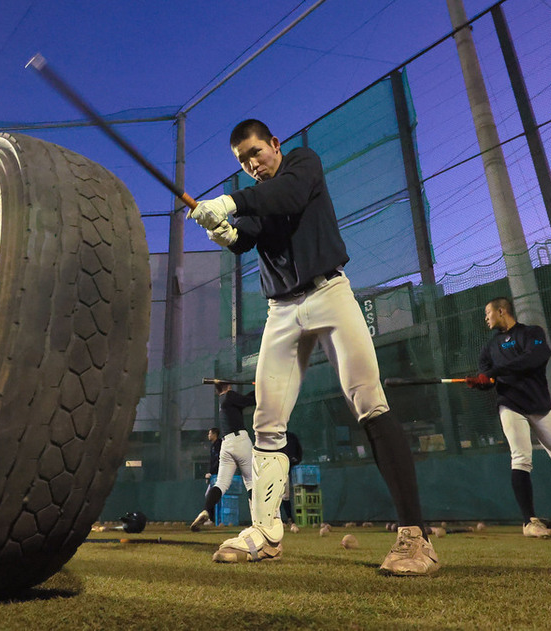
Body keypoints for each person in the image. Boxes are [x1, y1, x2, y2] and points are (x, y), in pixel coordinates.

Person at [188, 119, 438, 575]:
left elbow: (284, 197)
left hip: (329, 295)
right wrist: (224, 232)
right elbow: (248, 234)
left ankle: (414, 538)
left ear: (275, 145)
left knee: (368, 401)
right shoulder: (257, 194)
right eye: (243, 161)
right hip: (281, 311)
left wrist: (225, 202)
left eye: (256, 152)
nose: (252, 164)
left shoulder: (303, 164)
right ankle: (266, 533)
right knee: (266, 421)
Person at [471, 297, 551, 538]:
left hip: (541, 406)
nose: (486, 318)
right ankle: (529, 522)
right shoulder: (488, 348)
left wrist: (495, 372)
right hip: (510, 405)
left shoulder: (531, 333)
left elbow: (535, 358)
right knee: (520, 458)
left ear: (501, 311)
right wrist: (481, 382)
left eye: (488, 313)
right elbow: (487, 378)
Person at [190, 383, 255, 531]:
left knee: (221, 484)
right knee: (251, 482)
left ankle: (206, 509)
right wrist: (260, 388)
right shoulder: (230, 395)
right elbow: (250, 401)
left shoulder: (223, 400)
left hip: (226, 444)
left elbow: (244, 400)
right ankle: (258, 522)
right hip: (240, 441)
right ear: (228, 387)